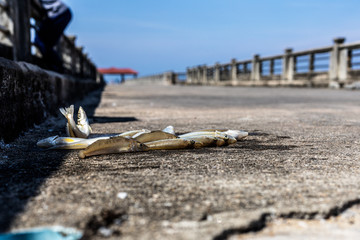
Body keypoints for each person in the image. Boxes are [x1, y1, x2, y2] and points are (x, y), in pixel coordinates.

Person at [34, 0, 72, 72]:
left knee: (40, 40)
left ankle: (57, 67)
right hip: (63, 13)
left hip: (59, 14)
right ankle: (57, 67)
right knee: (46, 43)